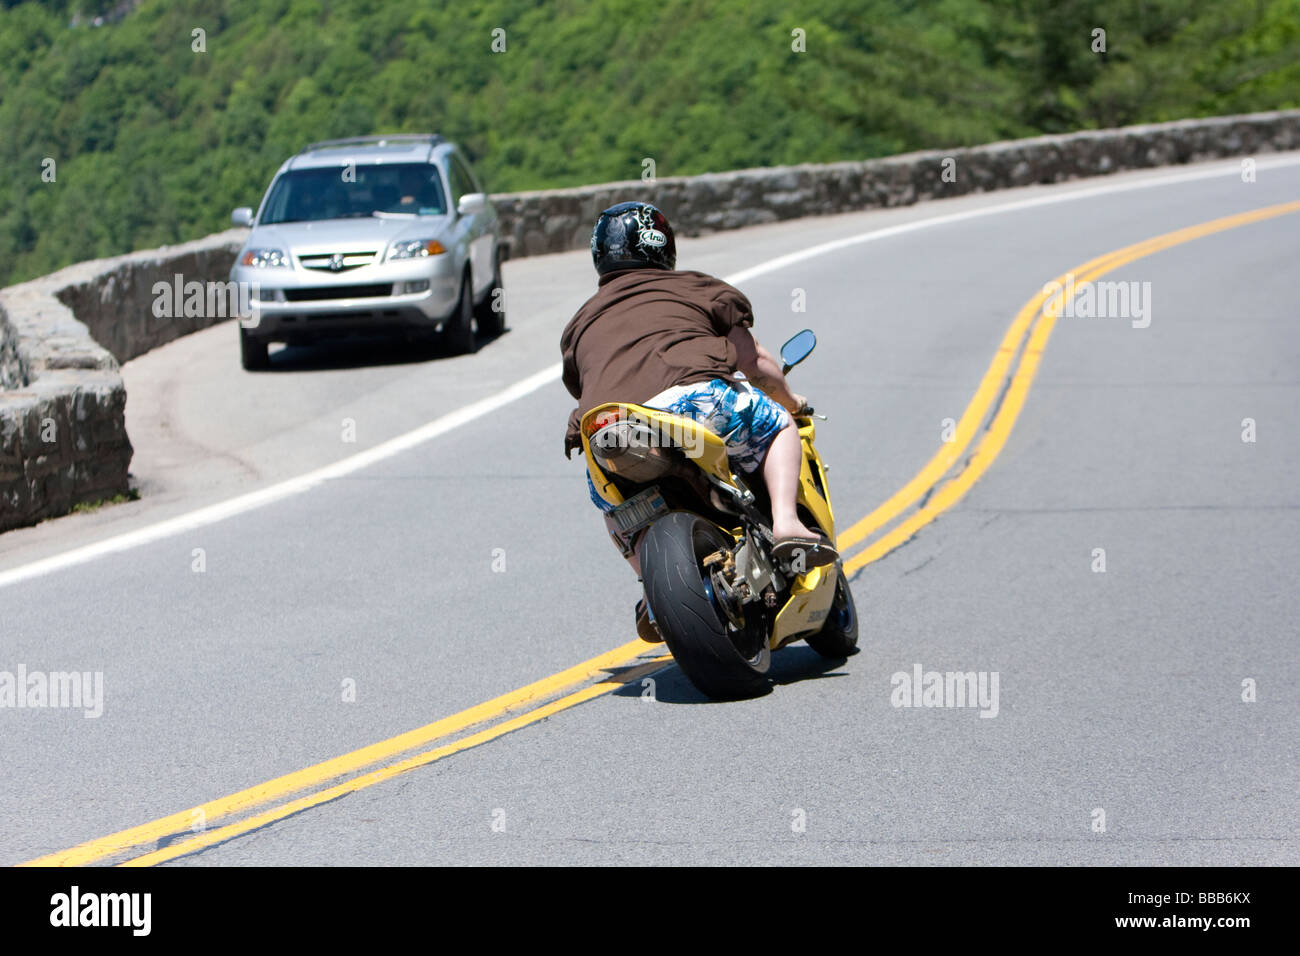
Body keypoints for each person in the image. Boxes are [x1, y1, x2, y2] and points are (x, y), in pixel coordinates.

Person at [561, 201, 839, 597]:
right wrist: (790, 400)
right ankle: (786, 524)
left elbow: (581, 386)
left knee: (615, 507)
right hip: (693, 405)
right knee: (777, 425)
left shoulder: (579, 323)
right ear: (663, 246)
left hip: (611, 429)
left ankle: (650, 586)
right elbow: (755, 363)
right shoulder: (695, 286)